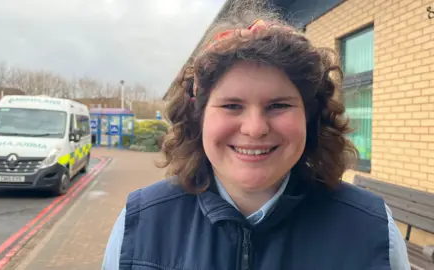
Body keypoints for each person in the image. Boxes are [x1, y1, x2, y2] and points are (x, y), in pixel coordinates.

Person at [102, 9, 410, 270]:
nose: (254, 128)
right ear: (200, 118)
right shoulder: (139, 225)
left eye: (278, 105)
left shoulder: (372, 231)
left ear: (310, 117)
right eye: (232, 105)